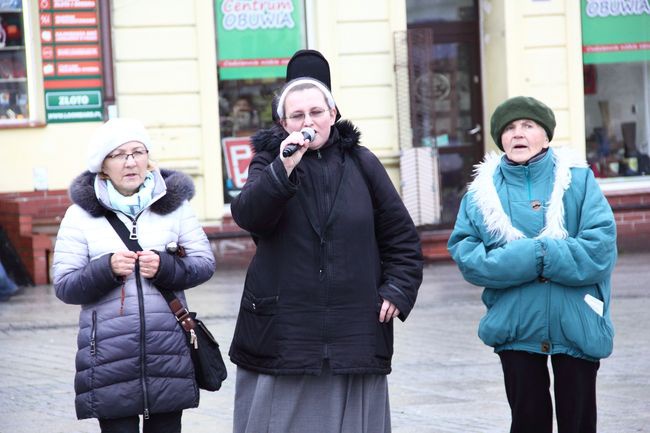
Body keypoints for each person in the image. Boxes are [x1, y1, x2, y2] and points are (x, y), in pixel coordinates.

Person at [229, 51, 423, 433]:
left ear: (333, 115)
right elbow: (249, 216)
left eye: (316, 112)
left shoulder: (363, 163)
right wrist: (283, 168)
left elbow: (401, 236)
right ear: (283, 123)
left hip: (354, 330)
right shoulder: (269, 163)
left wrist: (398, 288)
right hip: (284, 331)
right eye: (297, 116)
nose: (308, 122)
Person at [447, 96, 617, 433]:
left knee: (579, 424)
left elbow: (600, 249)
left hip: (576, 322)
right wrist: (536, 255)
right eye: (509, 128)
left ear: (546, 135)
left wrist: (540, 256)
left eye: (528, 125)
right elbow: (470, 259)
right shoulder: (481, 195)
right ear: (500, 139)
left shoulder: (578, 181)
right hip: (516, 324)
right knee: (528, 422)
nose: (518, 134)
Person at [52, 118, 216, 433]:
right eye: (119, 154)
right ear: (103, 167)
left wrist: (167, 268)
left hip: (168, 352)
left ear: (148, 158)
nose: (131, 162)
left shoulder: (175, 207)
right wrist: (106, 269)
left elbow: (204, 263)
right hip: (109, 358)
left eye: (138, 152)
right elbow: (65, 286)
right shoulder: (80, 216)